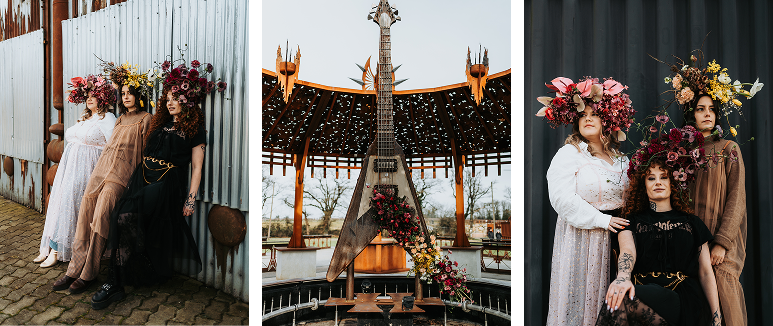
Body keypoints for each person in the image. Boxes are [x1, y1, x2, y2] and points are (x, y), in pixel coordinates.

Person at [90, 58, 227, 310]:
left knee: (124, 216)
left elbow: (197, 167)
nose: (170, 102)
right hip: (142, 177)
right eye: (168, 98)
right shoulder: (160, 124)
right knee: (123, 217)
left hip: (166, 183)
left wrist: (190, 200)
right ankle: (130, 273)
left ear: (187, 101)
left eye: (176, 98)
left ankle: (114, 283)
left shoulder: (195, 129)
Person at [654, 51, 758, 325]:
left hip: (720, 242)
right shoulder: (680, 151)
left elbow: (737, 199)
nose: (707, 114)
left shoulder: (728, 148)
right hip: (689, 243)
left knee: (724, 298)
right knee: (696, 306)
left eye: (712, 109)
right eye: (701, 109)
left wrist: (722, 243)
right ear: (691, 114)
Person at [537, 76, 636, 325]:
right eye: (583, 115)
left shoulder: (622, 160)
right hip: (583, 239)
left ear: (608, 120)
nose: (588, 119)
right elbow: (561, 198)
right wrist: (601, 220)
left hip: (620, 241)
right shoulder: (570, 153)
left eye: (594, 114)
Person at [51, 64, 153, 294]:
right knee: (86, 209)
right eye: (123, 93)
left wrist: (138, 183)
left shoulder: (145, 119)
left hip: (122, 175)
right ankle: (74, 269)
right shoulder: (119, 119)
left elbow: (145, 153)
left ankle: (89, 272)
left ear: (138, 96)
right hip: (102, 170)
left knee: (100, 214)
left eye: (130, 93)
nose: (126, 97)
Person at [596, 157, 721, 326]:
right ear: (643, 185)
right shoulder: (630, 221)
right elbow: (627, 251)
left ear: (673, 183)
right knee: (620, 299)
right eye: (651, 178)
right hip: (640, 293)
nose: (658, 182)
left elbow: (705, 272)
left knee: (620, 299)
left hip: (680, 296)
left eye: (664, 177)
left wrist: (716, 316)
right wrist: (622, 278)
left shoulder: (692, 223)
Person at [34, 75, 116, 267]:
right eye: (88, 95)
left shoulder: (108, 119)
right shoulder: (85, 118)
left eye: (94, 95)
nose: (89, 98)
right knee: (60, 204)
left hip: (88, 171)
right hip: (69, 170)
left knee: (70, 206)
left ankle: (57, 250)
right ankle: (50, 248)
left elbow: (112, 148)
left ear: (103, 98)